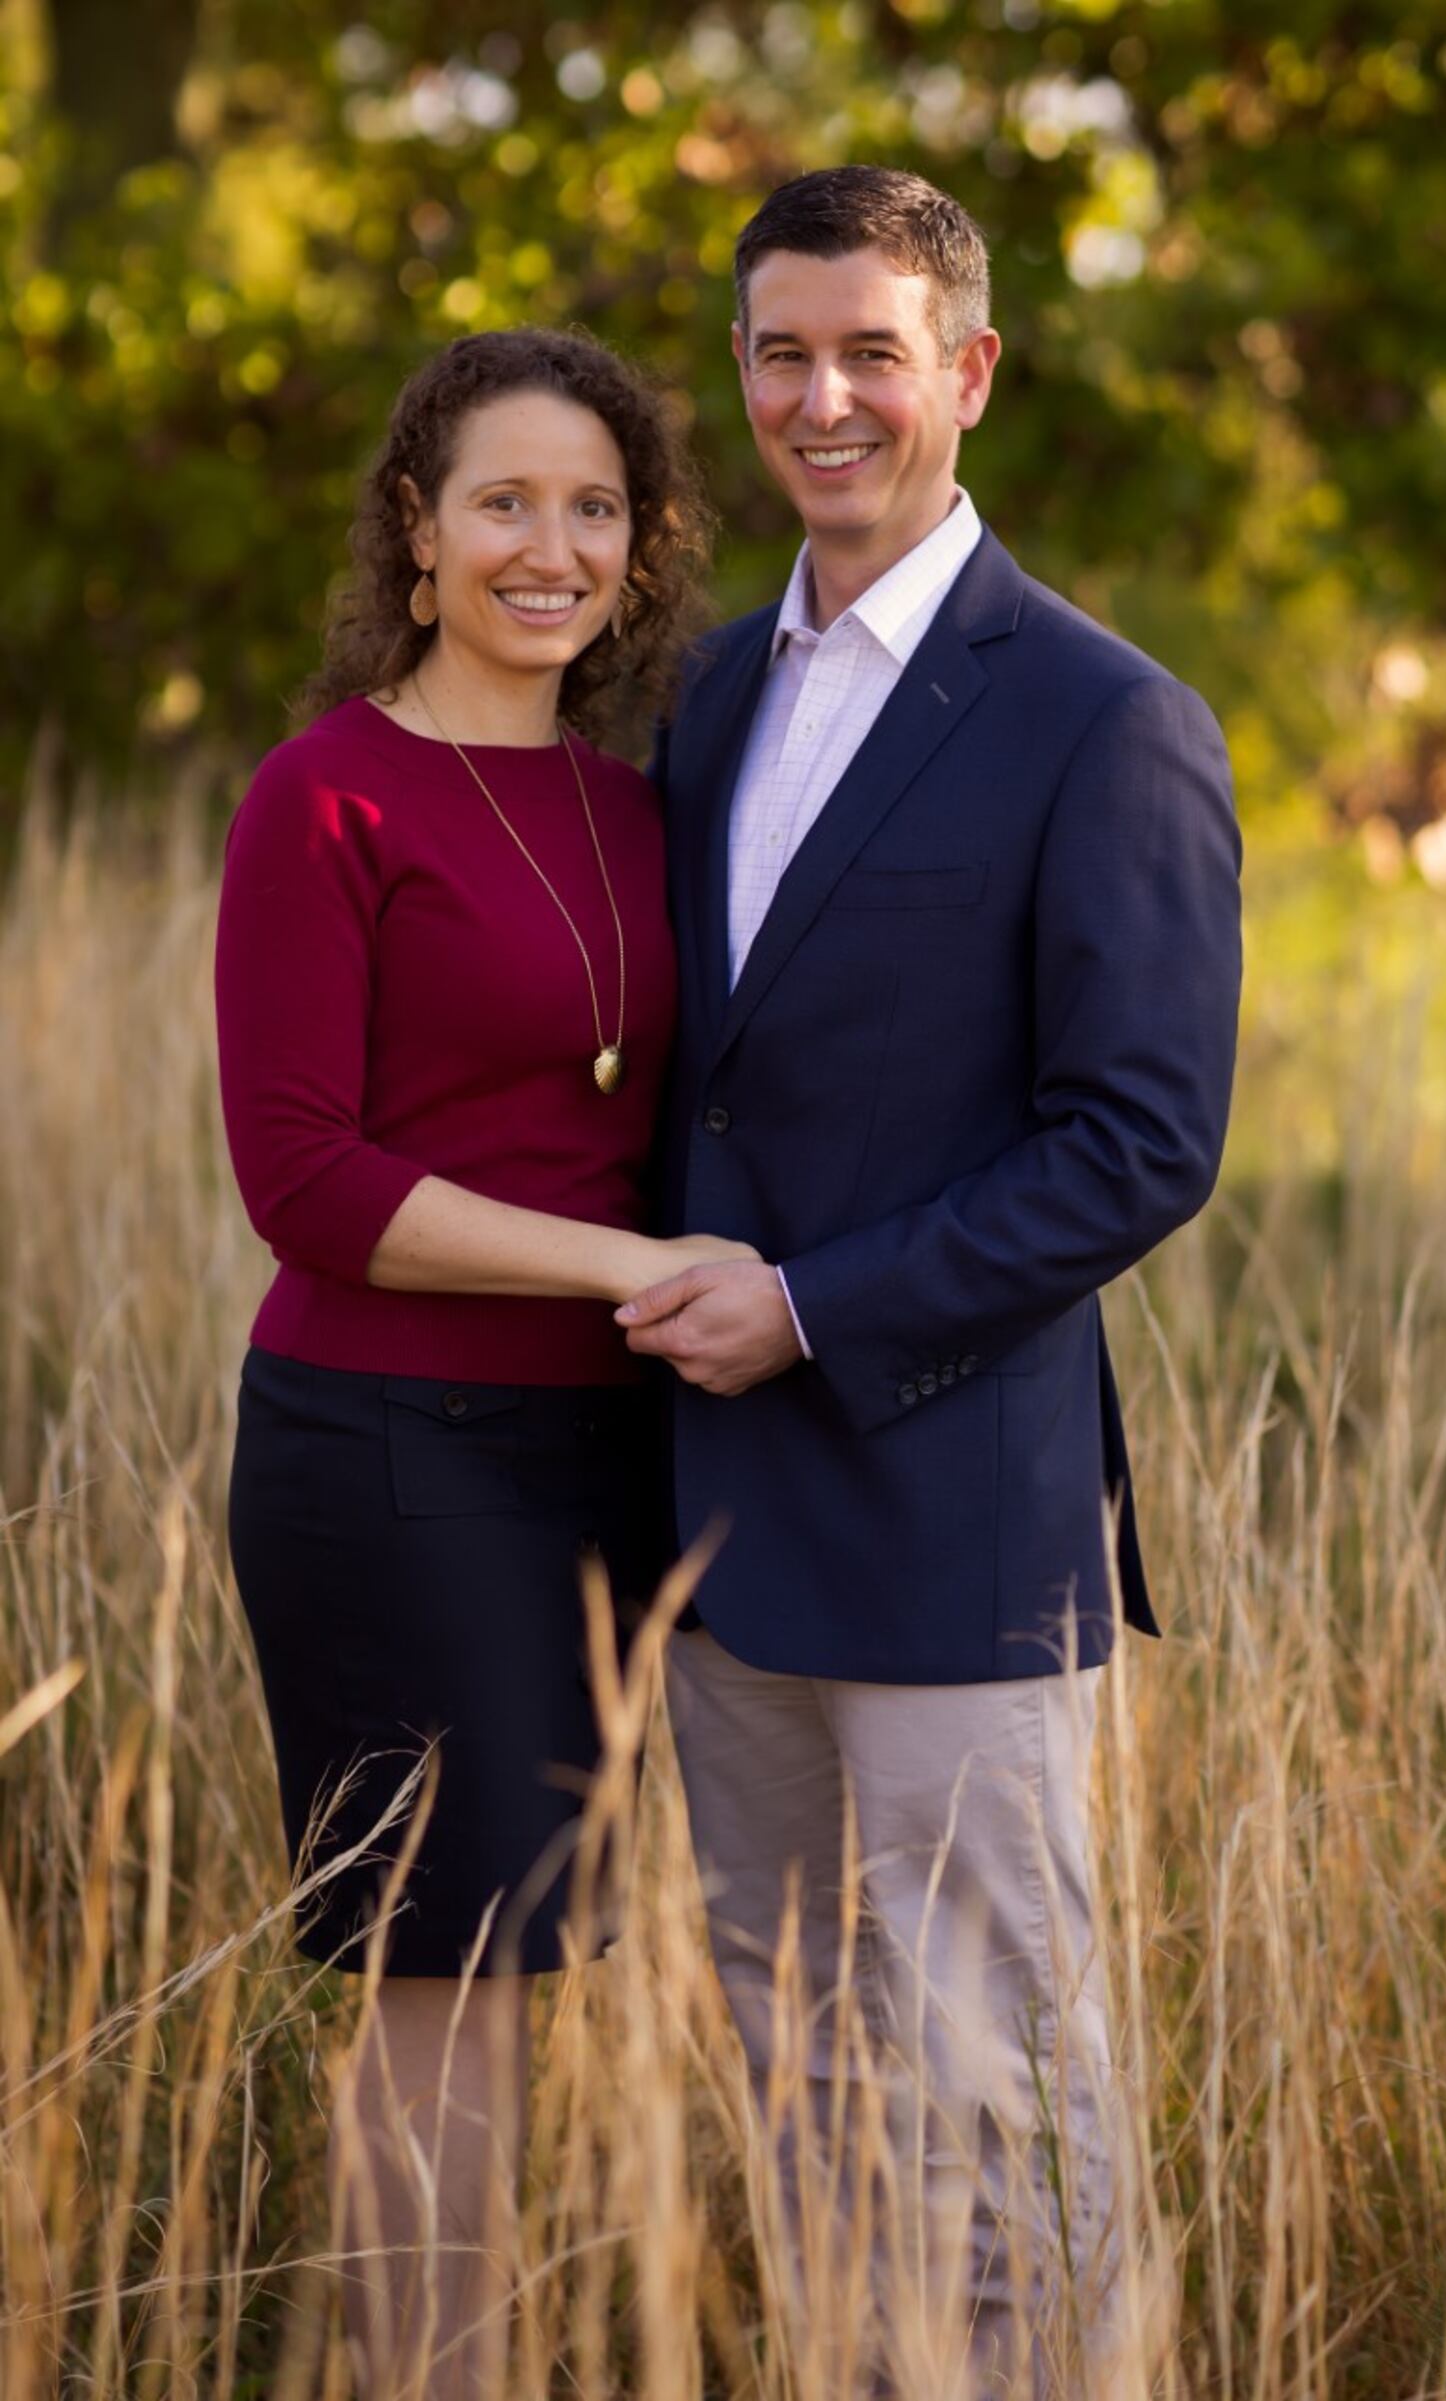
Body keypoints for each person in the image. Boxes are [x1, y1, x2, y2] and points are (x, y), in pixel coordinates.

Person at [622, 167, 1243, 2394]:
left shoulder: (1100, 717)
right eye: (780, 351)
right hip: (723, 1535)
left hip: (951, 1520)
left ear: (965, 373)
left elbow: (1138, 1142)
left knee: (1001, 2096)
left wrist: (806, 1301)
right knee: (807, 2110)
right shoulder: (701, 697)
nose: (821, 397)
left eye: (870, 350)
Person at [215, 327, 741, 2401]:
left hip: (602, 1456)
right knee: (446, 1989)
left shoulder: (642, 802)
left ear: (640, 545)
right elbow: (307, 1180)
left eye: (592, 506)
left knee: (531, 1981)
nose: (552, 545)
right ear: (416, 536)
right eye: (503, 503)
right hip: (387, 1453)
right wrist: (630, 1263)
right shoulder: (320, 793)